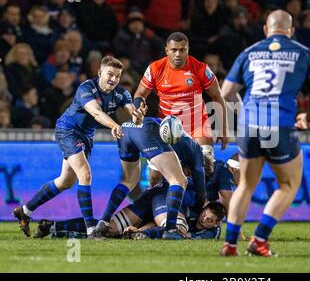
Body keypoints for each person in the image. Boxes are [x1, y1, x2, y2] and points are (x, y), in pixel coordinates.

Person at [220, 10, 310, 257]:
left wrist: (245, 111)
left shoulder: (249, 52)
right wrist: (308, 119)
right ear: (291, 30)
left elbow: (225, 93)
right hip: (278, 126)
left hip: (249, 126)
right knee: (288, 184)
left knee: (245, 185)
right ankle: (260, 239)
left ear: (266, 30)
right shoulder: (304, 53)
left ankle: (230, 245)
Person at [12, 56, 146, 239]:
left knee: (65, 181)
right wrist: (114, 125)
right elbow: (96, 112)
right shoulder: (86, 88)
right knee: (85, 174)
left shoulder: (121, 94)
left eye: (117, 76)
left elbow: (133, 113)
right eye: (110, 74)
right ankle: (91, 229)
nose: (113, 79)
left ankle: (25, 211)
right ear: (100, 73)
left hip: (86, 136)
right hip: (68, 131)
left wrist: (138, 116)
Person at [96, 116, 203, 240]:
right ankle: (170, 230)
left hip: (126, 128)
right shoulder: (193, 149)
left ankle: (102, 222)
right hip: (159, 199)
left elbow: (154, 177)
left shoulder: (164, 141)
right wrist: (197, 211)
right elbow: (201, 193)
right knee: (179, 181)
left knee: (128, 181)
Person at [134, 31, 229, 159]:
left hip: (197, 125)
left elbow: (217, 96)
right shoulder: (155, 69)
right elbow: (140, 93)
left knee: (207, 162)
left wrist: (223, 128)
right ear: (167, 50)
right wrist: (138, 108)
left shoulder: (201, 69)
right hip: (167, 125)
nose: (178, 54)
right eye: (174, 50)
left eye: (182, 50)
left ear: (188, 50)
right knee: (156, 176)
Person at [33, 185, 226, 241]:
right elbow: (167, 224)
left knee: (108, 229)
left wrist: (140, 228)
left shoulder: (211, 233)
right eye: (204, 214)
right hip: (159, 197)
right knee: (176, 229)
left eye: (208, 219)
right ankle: (139, 236)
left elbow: (155, 220)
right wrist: (141, 231)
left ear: (216, 223)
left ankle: (52, 226)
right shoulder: (193, 203)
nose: (203, 218)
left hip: (152, 204)